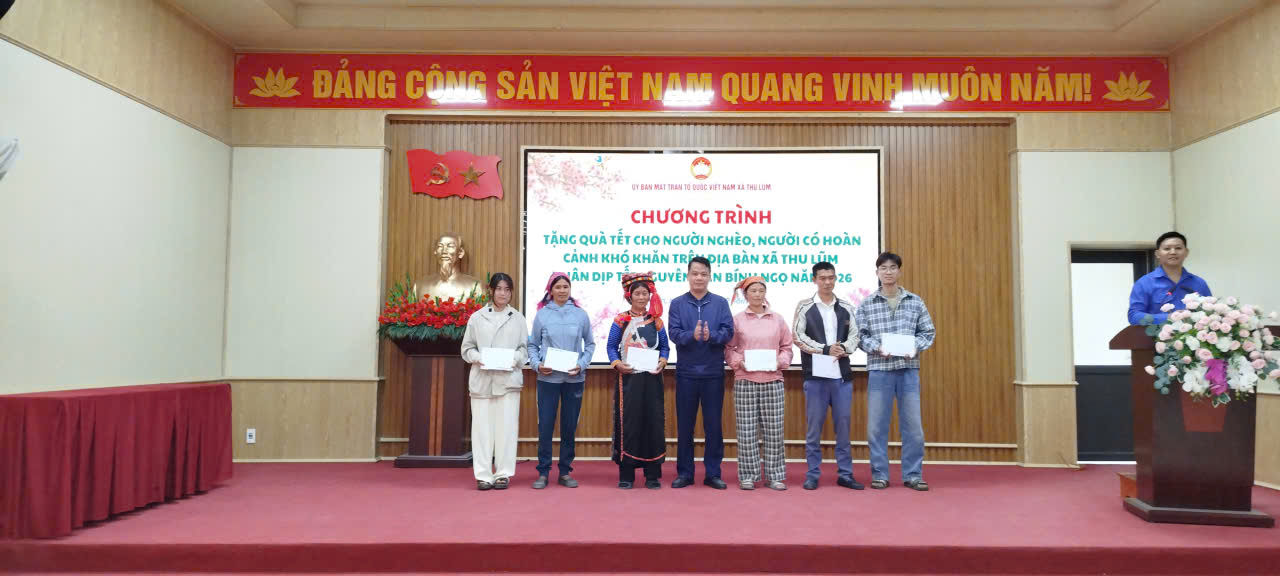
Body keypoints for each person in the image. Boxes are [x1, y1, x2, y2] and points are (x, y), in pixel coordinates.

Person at [856, 252, 936, 491]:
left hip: (908, 370)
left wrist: (915, 347)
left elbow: (928, 332)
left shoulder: (915, 301)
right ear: (877, 272)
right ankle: (880, 474)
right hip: (879, 371)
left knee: (913, 427)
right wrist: (877, 348)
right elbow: (860, 336)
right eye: (883, 268)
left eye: (892, 267)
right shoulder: (867, 303)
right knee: (876, 427)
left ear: (899, 271)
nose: (888, 272)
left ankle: (913, 475)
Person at [793, 261, 863, 491]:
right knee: (813, 429)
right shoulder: (805, 307)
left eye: (831, 277)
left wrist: (844, 348)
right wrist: (824, 349)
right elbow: (797, 337)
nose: (827, 282)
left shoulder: (846, 307)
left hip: (841, 378)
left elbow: (855, 335)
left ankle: (845, 474)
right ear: (814, 280)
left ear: (835, 279)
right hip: (815, 377)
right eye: (822, 278)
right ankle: (812, 474)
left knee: (843, 428)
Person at [667, 256, 735, 489]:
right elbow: (673, 333)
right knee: (685, 426)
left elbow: (728, 331)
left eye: (703, 274)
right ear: (688, 275)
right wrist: (691, 336)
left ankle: (713, 473)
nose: (699, 278)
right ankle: (685, 473)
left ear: (709, 276)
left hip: (713, 373)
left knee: (713, 426)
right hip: (686, 373)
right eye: (695, 273)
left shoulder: (720, 303)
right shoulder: (677, 303)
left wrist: (711, 336)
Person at [724, 276, 793, 491]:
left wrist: (780, 362)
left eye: (760, 290)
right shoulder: (737, 320)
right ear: (745, 295)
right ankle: (748, 475)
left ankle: (775, 475)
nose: (757, 294)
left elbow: (787, 347)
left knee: (774, 431)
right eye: (752, 291)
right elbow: (729, 348)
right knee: (746, 431)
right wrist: (739, 362)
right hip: (746, 380)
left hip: (773, 380)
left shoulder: (777, 319)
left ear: (765, 293)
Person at [459, 273, 527, 491]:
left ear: (511, 292)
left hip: (508, 381)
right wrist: (478, 357)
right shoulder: (477, 317)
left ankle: (503, 473)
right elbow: (466, 348)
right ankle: (483, 475)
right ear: (491, 291)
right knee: (482, 431)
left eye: (507, 290)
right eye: (499, 289)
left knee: (506, 430)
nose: (503, 294)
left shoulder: (518, 318)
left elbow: (524, 350)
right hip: (482, 380)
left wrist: (514, 358)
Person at [527, 272, 595, 489]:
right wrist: (537, 365)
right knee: (545, 426)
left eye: (566, 286)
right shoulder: (542, 315)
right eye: (558, 287)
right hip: (548, 379)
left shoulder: (580, 315)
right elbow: (532, 345)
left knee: (569, 427)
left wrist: (581, 365)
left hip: (574, 380)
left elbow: (590, 345)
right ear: (551, 290)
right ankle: (543, 472)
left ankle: (565, 472)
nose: (562, 290)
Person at [606, 272, 670, 490]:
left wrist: (663, 361)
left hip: (652, 380)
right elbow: (611, 347)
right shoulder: (620, 320)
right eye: (637, 294)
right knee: (629, 424)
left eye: (645, 294)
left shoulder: (657, 321)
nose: (641, 297)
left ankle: (652, 475)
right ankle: (627, 474)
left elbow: (665, 347)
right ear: (629, 296)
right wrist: (617, 363)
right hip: (629, 381)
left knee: (653, 423)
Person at [1128, 231, 1212, 325]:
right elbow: (1134, 317)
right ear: (1157, 253)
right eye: (1167, 248)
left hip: (1195, 333)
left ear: (1186, 252)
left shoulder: (1199, 283)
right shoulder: (1144, 283)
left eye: (1178, 248)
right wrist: (1167, 318)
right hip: (1156, 334)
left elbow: (1211, 313)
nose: (1173, 252)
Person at [415, 233, 481, 300]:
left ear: (460, 252)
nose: (444, 251)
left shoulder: (476, 287)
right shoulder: (419, 286)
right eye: (440, 246)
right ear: (435, 251)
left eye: (450, 246)